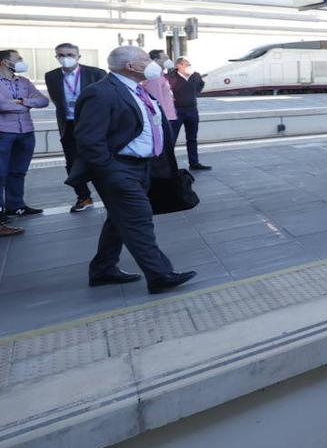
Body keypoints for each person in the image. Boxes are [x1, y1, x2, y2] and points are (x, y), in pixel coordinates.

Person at [70, 46, 195, 293]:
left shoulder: (137, 89)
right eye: (145, 59)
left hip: (142, 167)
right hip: (118, 170)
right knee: (139, 220)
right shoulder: (101, 93)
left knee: (119, 220)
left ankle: (103, 269)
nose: (151, 63)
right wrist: (109, 170)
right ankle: (160, 275)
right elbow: (88, 139)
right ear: (130, 66)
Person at [44, 43, 107, 212]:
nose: (66, 58)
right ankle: (84, 197)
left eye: (70, 54)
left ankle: (111, 195)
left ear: (78, 56)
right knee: (72, 163)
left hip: (92, 124)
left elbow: (106, 98)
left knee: (100, 159)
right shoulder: (51, 76)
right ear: (56, 57)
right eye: (61, 55)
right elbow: (57, 100)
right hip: (69, 124)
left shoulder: (96, 73)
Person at [1, 49, 50, 232]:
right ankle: (1, 213)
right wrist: (27, 103)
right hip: (3, 132)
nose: (22, 61)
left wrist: (20, 102)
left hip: (26, 132)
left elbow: (43, 101)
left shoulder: (24, 82)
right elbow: (1, 105)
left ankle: (16, 206)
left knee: (18, 171)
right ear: (5, 62)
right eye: (18, 59)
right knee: (0, 174)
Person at [167, 57, 211, 171]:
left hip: (192, 110)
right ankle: (168, 166)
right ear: (178, 65)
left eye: (189, 64)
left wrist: (192, 94)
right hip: (176, 111)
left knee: (192, 138)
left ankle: (194, 163)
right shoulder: (170, 77)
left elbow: (200, 86)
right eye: (186, 64)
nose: (189, 66)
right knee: (172, 138)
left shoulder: (195, 75)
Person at [145, 49, 178, 121]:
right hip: (164, 118)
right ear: (156, 60)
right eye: (165, 58)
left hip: (168, 116)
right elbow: (155, 99)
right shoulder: (154, 77)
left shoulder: (161, 75)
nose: (168, 60)